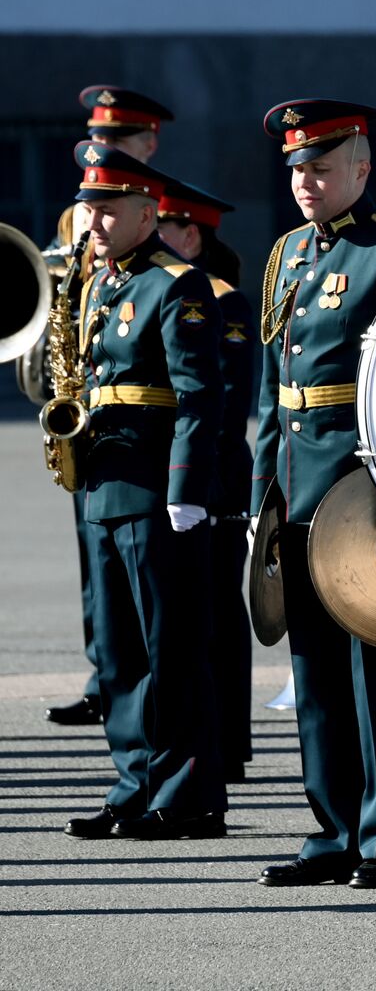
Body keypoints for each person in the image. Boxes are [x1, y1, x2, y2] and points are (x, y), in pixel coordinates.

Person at [252, 99, 376, 889]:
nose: (305, 182)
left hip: (359, 490)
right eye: (297, 169)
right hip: (295, 488)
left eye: (321, 167)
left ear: (362, 171)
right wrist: (261, 499)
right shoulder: (288, 252)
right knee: (316, 673)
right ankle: (331, 828)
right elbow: (273, 388)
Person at [62, 142, 227, 841]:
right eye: (87, 210)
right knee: (122, 653)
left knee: (171, 650)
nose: (92, 225)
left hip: (157, 493)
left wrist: (185, 488)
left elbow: (199, 396)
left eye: (105, 212)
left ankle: (186, 794)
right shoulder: (103, 283)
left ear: (145, 212)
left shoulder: (176, 284)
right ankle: (135, 782)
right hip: (105, 480)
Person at [45, 85, 175, 728]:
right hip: (89, 422)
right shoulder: (82, 222)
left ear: (147, 145)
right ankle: (107, 672)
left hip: (141, 441)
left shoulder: (159, 211)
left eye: (118, 142)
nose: (103, 151)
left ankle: (149, 723)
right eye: (97, 140)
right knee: (97, 563)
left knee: (150, 601)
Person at [156, 178, 255, 781]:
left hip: (214, 478)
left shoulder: (225, 301)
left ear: (190, 236)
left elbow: (226, 400)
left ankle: (228, 741)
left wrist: (198, 481)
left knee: (217, 610)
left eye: (162, 227)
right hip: (184, 476)